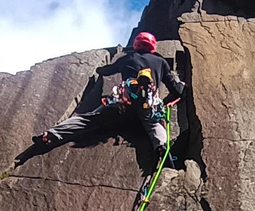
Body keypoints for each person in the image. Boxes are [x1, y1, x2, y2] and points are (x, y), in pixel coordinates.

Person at [29, 32, 185, 160]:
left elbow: (105, 71)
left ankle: (50, 134)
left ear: (136, 44)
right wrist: (181, 89)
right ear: (153, 46)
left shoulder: (128, 59)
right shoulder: (160, 62)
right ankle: (161, 148)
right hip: (147, 104)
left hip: (123, 102)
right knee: (154, 125)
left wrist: (100, 69)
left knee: (88, 119)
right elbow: (175, 88)